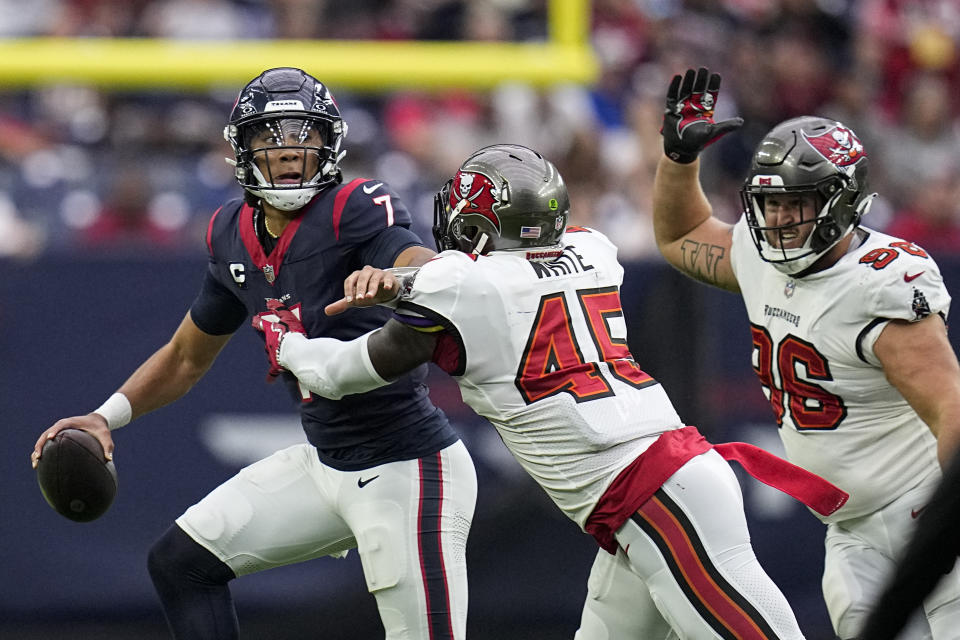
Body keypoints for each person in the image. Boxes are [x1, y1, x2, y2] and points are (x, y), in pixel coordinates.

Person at [253, 143, 853, 639]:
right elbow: (505, 276)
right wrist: (406, 282)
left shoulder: (457, 284)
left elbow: (343, 372)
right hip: (658, 485)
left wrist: (288, 343)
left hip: (653, 495)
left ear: (474, 228)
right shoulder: (593, 252)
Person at [30, 67, 477, 640]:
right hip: (327, 463)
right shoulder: (231, 233)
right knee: (181, 564)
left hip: (406, 466)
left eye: (303, 136)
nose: (290, 152)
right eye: (272, 137)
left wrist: (409, 278)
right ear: (242, 149)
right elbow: (187, 356)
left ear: (329, 143)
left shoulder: (354, 208)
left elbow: (417, 260)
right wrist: (105, 415)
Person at [650, 66, 960, 639]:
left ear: (845, 201)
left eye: (799, 203)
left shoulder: (878, 286)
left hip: (925, 519)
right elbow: (678, 236)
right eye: (770, 203)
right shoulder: (759, 252)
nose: (781, 220)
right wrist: (678, 160)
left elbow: (951, 412)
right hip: (852, 534)